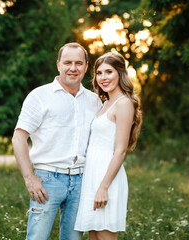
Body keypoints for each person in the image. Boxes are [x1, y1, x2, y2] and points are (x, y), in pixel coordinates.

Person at [12, 42, 102, 240]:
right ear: (58, 65)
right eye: (67, 62)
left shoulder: (94, 101)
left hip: (81, 180)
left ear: (86, 67)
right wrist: (29, 178)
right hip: (47, 180)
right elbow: (19, 137)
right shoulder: (40, 96)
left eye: (78, 63)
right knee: (37, 238)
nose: (73, 68)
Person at [74, 52, 142, 240]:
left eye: (109, 72)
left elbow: (120, 151)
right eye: (99, 73)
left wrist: (103, 187)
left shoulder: (124, 104)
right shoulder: (105, 103)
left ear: (120, 73)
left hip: (107, 177)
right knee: (93, 235)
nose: (103, 77)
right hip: (93, 174)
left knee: (105, 235)